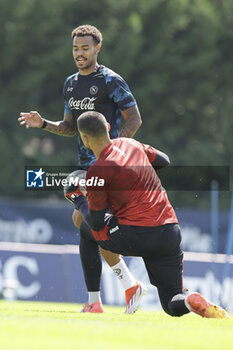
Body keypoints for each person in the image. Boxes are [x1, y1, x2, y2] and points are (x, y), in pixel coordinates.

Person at [18, 24, 145, 313]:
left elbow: (134, 119)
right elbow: (68, 127)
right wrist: (43, 124)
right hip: (85, 168)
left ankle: (120, 289)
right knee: (85, 224)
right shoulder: (70, 84)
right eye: (76, 48)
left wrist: (115, 152)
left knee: (87, 222)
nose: (79, 53)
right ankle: (100, 299)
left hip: (107, 167)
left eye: (85, 48)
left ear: (97, 48)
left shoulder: (111, 80)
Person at [65, 110, 229, 318]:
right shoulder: (131, 144)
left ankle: (94, 302)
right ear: (107, 127)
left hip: (135, 234)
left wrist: (77, 199)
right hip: (169, 231)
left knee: (86, 228)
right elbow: (164, 160)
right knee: (172, 304)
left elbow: (96, 223)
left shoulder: (99, 170)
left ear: (85, 140)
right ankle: (189, 300)